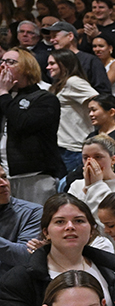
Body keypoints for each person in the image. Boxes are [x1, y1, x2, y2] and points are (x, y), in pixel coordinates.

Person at [0, 48, 67, 200]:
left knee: (35, 221)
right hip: (4, 176)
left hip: (34, 176)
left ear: (27, 67)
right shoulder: (3, 97)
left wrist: (4, 93)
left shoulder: (45, 99)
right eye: (2, 61)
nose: (3, 66)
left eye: (10, 62)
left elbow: (23, 123)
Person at [47, 50, 99, 173]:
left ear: (64, 64)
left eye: (52, 63)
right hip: (63, 146)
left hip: (75, 147)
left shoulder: (73, 81)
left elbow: (98, 100)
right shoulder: (59, 84)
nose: (48, 67)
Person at [0, 165, 42, 278]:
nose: (3, 184)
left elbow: (27, 257)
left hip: (10, 287)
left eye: (4, 177)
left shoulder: (32, 212)